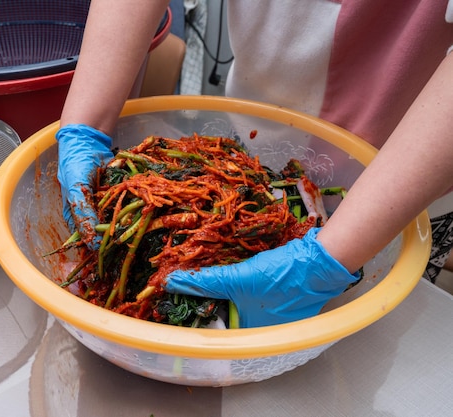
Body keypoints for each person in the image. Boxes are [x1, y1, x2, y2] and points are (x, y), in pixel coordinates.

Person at [55, 0, 453, 327]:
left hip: (404, 201)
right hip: (253, 149)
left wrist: (330, 259)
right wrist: (85, 125)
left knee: (371, 347)